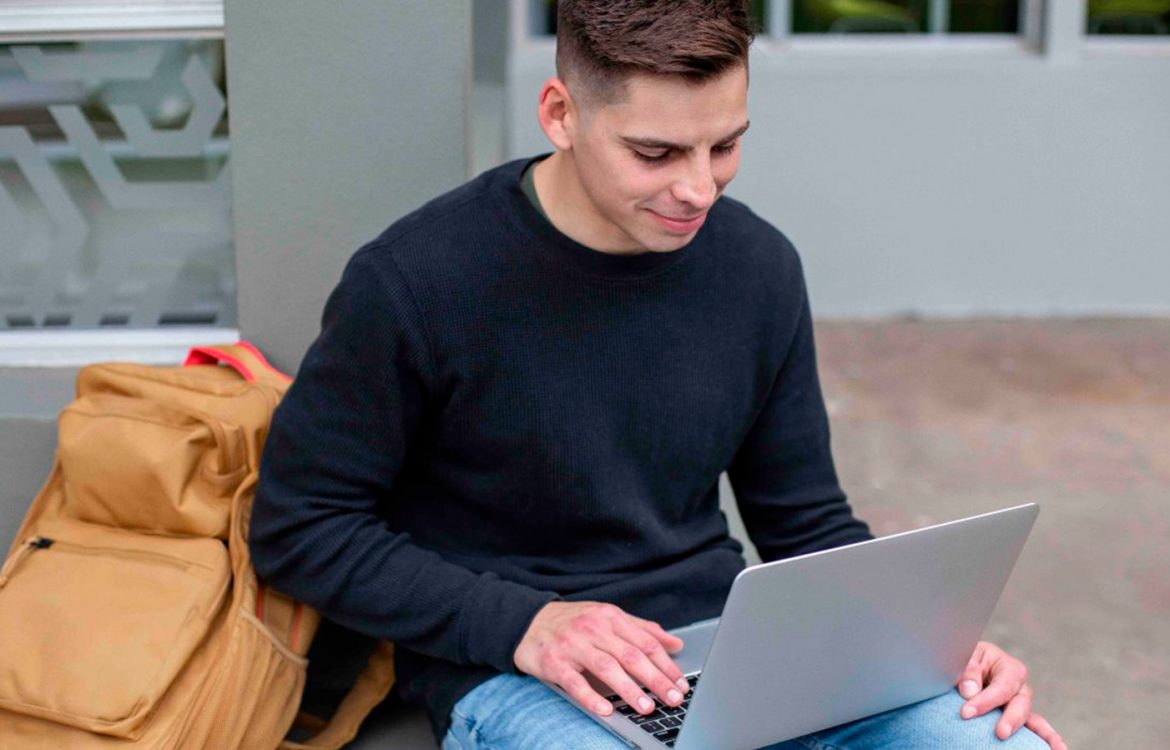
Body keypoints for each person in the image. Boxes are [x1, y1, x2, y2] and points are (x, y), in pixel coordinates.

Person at [249, 2, 1065, 748]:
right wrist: (528, 624)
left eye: (726, 145)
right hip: (522, 672)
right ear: (560, 115)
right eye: (655, 153)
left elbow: (804, 520)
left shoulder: (758, 267)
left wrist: (918, 641)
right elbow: (300, 526)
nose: (698, 188)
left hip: (734, 650)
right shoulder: (416, 283)